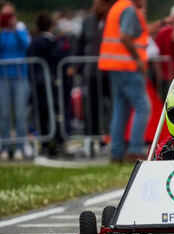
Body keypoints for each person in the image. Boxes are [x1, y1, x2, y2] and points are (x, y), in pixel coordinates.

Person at [98, 0, 151, 162]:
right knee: (143, 107)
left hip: (116, 65)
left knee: (120, 109)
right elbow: (125, 36)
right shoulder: (128, 9)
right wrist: (138, 59)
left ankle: (117, 153)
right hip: (127, 65)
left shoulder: (118, 6)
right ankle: (134, 150)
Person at [73, 0, 114, 141]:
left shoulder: (113, 19)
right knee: (92, 106)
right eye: (95, 4)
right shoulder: (88, 21)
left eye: (100, 4)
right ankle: (91, 138)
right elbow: (80, 44)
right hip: (91, 72)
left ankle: (111, 137)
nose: (96, 7)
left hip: (110, 72)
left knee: (113, 107)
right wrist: (75, 66)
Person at [27, 12, 65, 156]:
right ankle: (54, 143)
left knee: (43, 116)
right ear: (50, 26)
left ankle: (45, 143)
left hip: (39, 85)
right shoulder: (52, 42)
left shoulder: (35, 42)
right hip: (50, 84)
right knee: (54, 115)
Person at [0, 2, 29, 161]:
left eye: (9, 15)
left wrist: (15, 29)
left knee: (20, 113)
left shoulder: (20, 29)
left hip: (19, 76)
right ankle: (5, 146)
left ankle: (20, 146)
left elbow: (26, 45)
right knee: (4, 114)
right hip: (2, 77)